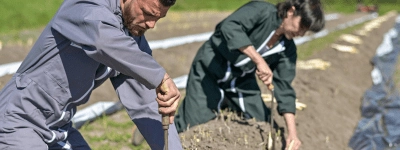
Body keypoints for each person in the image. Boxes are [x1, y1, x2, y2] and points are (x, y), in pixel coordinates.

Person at [0, 0, 183, 149]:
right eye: (147, 13)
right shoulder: (85, 6)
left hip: (59, 128)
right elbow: (101, 40)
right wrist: (160, 76)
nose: (151, 24)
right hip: (20, 120)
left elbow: (146, 102)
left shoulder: (131, 37)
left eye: (158, 18)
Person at [174, 0, 325, 149]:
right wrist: (258, 60)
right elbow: (229, 26)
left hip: (240, 79)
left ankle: (227, 99)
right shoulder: (261, 11)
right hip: (210, 68)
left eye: (306, 31)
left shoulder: (288, 49)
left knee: (263, 121)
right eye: (302, 26)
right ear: (291, 11)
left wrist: (293, 134)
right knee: (194, 123)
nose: (301, 33)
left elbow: (284, 87)